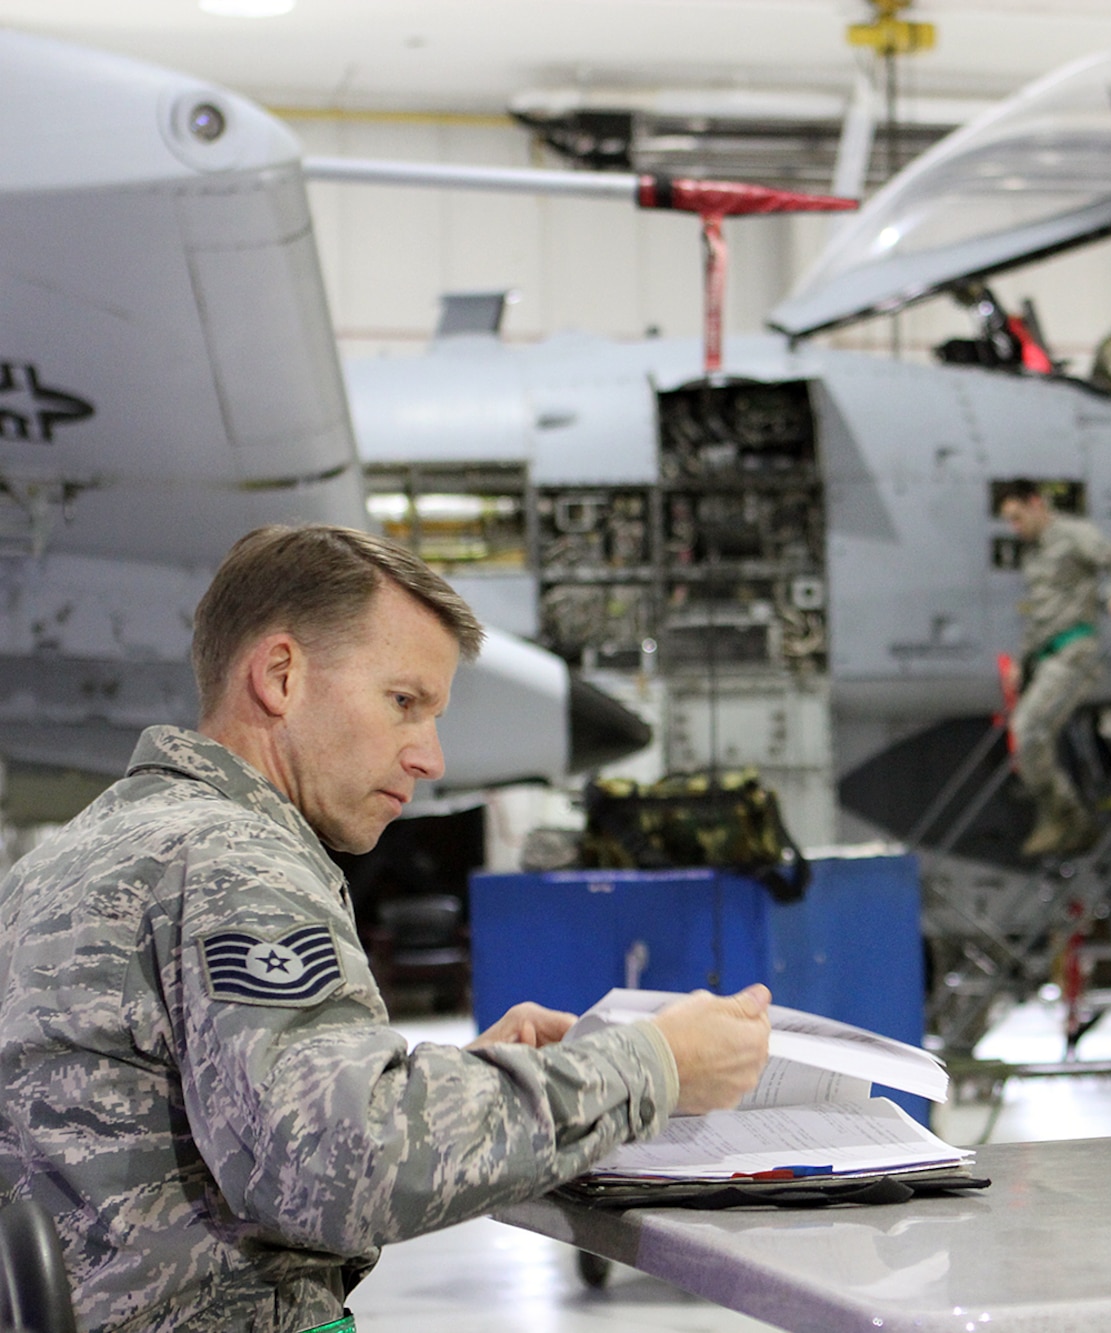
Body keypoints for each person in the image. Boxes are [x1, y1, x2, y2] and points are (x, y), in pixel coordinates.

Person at [0, 524, 773, 1333]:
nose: (430, 757)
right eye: (404, 703)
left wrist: (459, 1080)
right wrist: (653, 1063)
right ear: (281, 675)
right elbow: (337, 1164)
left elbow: (220, 1116)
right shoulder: (235, 857)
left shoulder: (72, 858)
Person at [996, 481, 1111, 858]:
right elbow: (1040, 614)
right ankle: (1062, 816)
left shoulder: (1074, 535)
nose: (1015, 527)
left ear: (1035, 503)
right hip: (1048, 655)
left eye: (1017, 517)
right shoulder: (1034, 554)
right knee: (1029, 735)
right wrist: (1021, 659)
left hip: (1074, 650)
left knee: (1028, 730)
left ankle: (1066, 817)